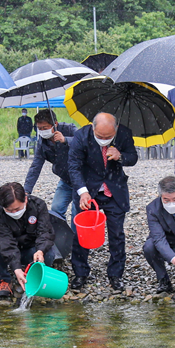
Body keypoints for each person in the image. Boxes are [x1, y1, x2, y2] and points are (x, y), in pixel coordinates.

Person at [68, 112, 138, 291]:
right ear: (93, 128)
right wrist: (82, 192)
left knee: (116, 234)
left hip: (114, 190)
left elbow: (133, 157)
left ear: (116, 129)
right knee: (81, 234)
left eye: (108, 137)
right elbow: (73, 166)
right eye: (100, 136)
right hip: (88, 190)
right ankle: (81, 272)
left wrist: (121, 155)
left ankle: (115, 274)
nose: (104, 140)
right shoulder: (81, 136)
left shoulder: (124, 133)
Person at [0, 182, 55, 299]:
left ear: (25, 199)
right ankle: (4, 280)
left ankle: (36, 277)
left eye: (18, 208)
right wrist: (16, 268)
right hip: (10, 249)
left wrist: (40, 250)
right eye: (9, 210)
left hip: (32, 248)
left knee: (49, 252)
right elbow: (6, 241)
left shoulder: (38, 205)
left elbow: (44, 232)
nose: (14, 213)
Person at [24, 109, 78, 220]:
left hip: (81, 179)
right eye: (39, 129)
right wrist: (26, 190)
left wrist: (65, 140)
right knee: (56, 209)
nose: (42, 131)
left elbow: (85, 142)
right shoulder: (42, 142)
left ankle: (76, 237)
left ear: (55, 124)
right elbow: (35, 167)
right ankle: (61, 234)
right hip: (65, 180)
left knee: (77, 212)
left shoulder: (69, 129)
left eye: (45, 128)